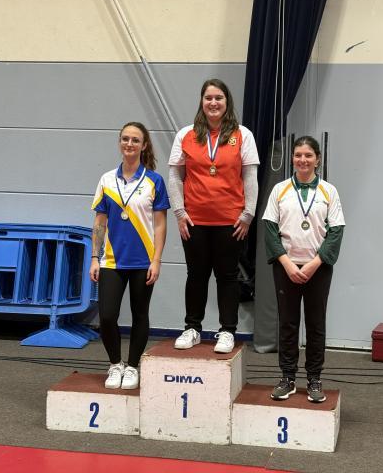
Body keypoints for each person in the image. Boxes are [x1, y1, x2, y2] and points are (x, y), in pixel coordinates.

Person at [168, 79, 259, 353]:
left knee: (227, 276)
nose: (213, 103)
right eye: (208, 98)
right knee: (196, 274)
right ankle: (192, 328)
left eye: (219, 98)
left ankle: (227, 331)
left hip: (231, 221)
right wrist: (179, 212)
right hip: (194, 220)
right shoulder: (186, 134)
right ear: (202, 102)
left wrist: (248, 214)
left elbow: (250, 176)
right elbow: (174, 176)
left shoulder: (243, 134)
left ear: (227, 101)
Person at [262, 136, 345, 403]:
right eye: (298, 155)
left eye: (308, 155)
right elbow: (270, 229)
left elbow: (336, 231)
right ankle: (287, 377)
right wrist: (287, 263)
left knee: (316, 323)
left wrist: (314, 263)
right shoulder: (280, 190)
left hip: (317, 268)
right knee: (287, 323)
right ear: (292, 159)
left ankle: (314, 379)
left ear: (317, 159)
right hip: (286, 267)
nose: (303, 160)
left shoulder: (329, 191)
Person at [90, 121, 170, 389]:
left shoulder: (154, 181)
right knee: (107, 316)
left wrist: (156, 260)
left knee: (140, 315)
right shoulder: (106, 180)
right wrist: (94, 257)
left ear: (144, 145)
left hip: (143, 262)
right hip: (111, 261)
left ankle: (133, 366)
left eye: (135, 140)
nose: (129, 144)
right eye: (125, 138)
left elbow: (160, 225)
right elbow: (100, 222)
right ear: (119, 143)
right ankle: (115, 364)